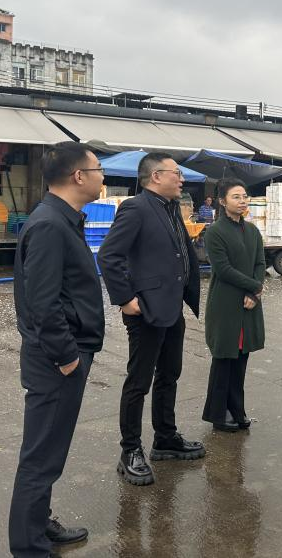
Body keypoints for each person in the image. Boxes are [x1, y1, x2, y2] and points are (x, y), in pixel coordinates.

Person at [8, 142, 106, 558]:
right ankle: (29, 546)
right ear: (78, 176)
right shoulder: (50, 224)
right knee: (41, 456)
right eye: (98, 169)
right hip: (56, 360)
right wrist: (67, 357)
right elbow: (43, 303)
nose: (103, 177)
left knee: (50, 451)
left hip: (62, 355)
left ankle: (38, 523)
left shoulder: (63, 219)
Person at [98, 151, 204, 487]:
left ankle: (165, 437)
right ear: (156, 176)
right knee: (139, 381)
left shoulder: (170, 208)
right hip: (146, 310)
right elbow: (109, 255)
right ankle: (130, 450)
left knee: (170, 374)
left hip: (172, 307)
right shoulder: (136, 208)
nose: (182, 179)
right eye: (176, 173)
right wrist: (125, 299)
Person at [201, 179, 266, 432]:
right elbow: (223, 269)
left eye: (245, 196)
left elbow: (260, 263)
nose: (242, 201)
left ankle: (237, 409)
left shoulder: (252, 231)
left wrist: (254, 292)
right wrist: (254, 286)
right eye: (236, 197)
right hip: (226, 303)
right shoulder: (215, 231)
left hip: (248, 303)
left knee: (241, 359)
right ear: (222, 201)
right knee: (224, 359)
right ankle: (219, 413)